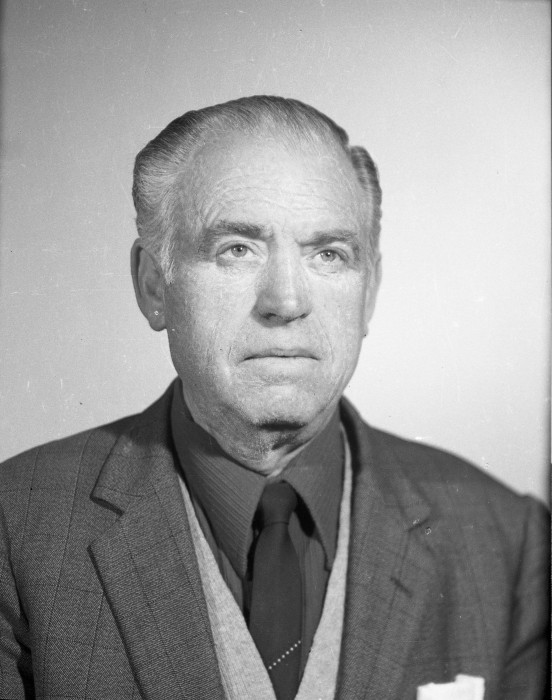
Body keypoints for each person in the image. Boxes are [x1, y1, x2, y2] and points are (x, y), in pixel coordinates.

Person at [0, 96, 548, 700]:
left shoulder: (508, 541)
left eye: (328, 254)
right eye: (237, 248)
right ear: (154, 285)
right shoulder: (17, 529)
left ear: (368, 294)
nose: (286, 301)